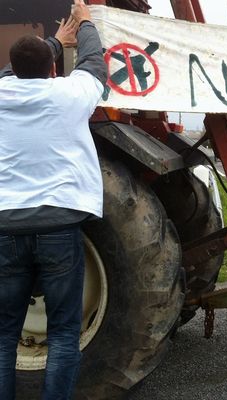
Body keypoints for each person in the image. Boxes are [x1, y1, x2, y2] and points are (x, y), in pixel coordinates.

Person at [0, 0, 107, 398]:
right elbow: (94, 63)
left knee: (3, 335)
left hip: (6, 227)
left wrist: (52, 43)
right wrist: (85, 24)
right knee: (63, 334)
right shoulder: (70, 93)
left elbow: (13, 71)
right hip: (59, 228)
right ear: (50, 69)